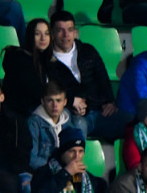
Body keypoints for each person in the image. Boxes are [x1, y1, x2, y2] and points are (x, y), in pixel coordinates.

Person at [46, 10, 130, 140]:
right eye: (60, 30)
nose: (66, 35)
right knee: (78, 126)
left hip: (98, 111)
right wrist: (71, 101)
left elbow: (102, 78)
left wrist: (109, 102)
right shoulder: (47, 60)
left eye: (70, 30)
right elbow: (50, 91)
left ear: (75, 32)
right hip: (71, 113)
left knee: (132, 122)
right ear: (52, 33)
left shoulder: (87, 51)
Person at [31, 126, 108, 193]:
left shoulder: (91, 181)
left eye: (80, 151)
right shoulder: (43, 173)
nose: (76, 156)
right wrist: (66, 173)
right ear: (62, 153)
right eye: (72, 151)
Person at [2, 18, 51, 119]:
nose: (43, 38)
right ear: (30, 36)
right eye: (37, 34)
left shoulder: (46, 60)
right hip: (23, 114)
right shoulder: (20, 60)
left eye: (47, 34)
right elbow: (34, 93)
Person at [29, 81, 77, 169]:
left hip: (64, 170)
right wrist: (56, 168)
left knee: (81, 177)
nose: (55, 105)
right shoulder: (34, 123)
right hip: (43, 172)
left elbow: (74, 154)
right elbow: (32, 160)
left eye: (58, 100)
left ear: (65, 102)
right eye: (50, 100)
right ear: (43, 102)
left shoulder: (67, 117)